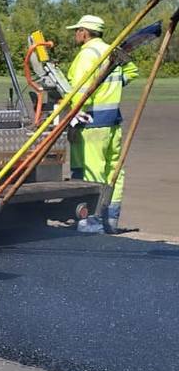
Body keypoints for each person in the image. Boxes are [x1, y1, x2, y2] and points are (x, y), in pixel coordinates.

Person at [64, 14, 138, 233]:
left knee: (90, 171)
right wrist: (110, 89)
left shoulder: (87, 55)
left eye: (77, 30)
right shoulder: (112, 50)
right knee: (113, 169)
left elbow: (78, 90)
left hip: (92, 123)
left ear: (85, 33)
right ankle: (111, 218)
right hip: (113, 122)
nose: (75, 34)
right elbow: (131, 71)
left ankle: (92, 221)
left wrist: (73, 119)